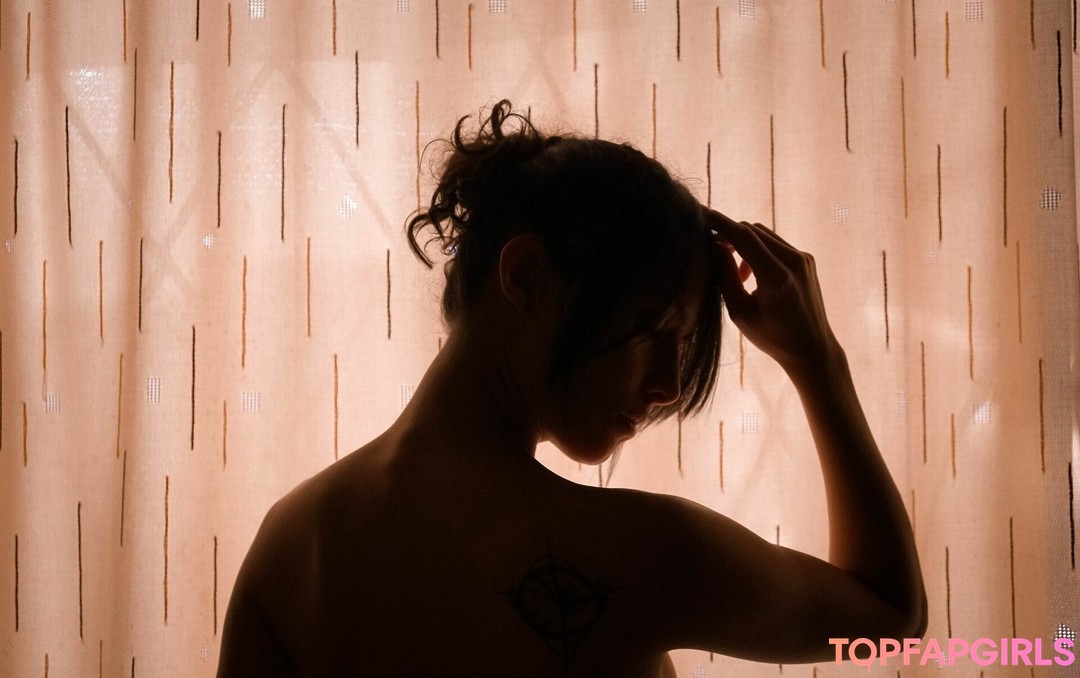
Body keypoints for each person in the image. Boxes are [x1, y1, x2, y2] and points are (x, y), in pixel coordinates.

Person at [217, 100, 927, 677]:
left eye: (682, 349)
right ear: (527, 276)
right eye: (651, 328)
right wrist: (817, 361)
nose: (666, 387)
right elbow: (891, 620)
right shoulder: (641, 553)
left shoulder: (293, 544)